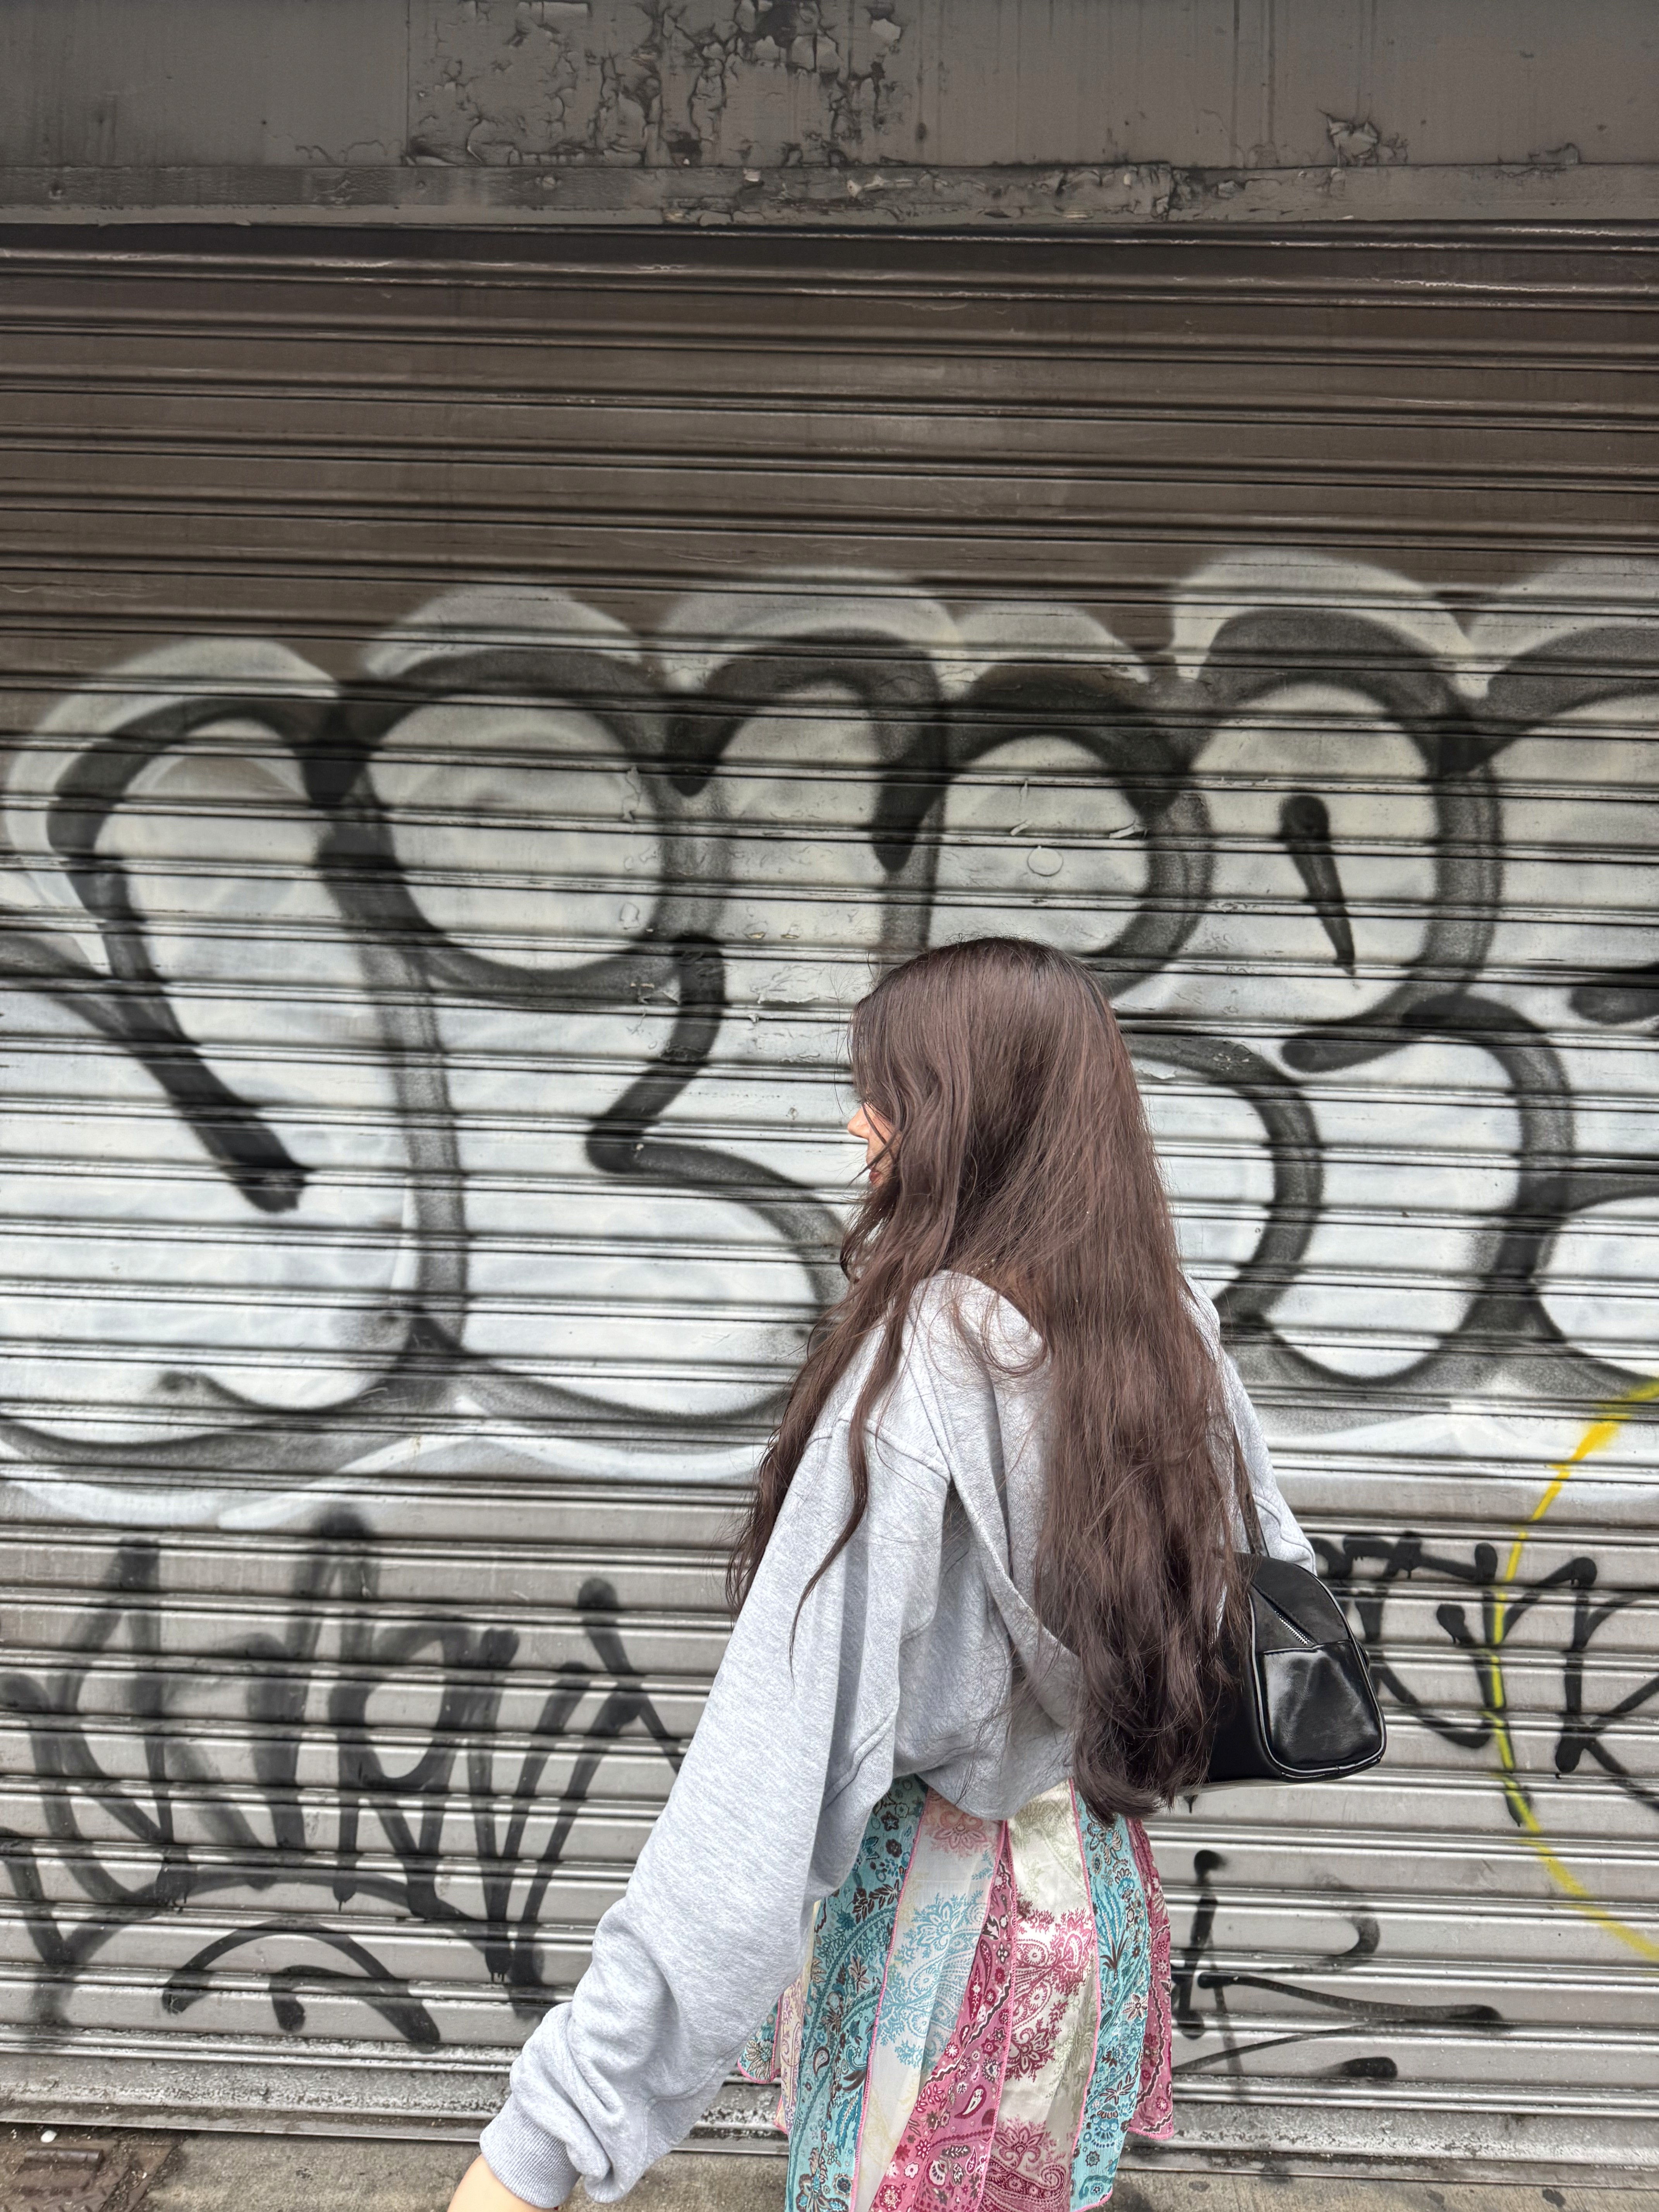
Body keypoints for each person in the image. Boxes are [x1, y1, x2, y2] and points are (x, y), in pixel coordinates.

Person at [449, 936, 1313, 2212]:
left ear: (966, 1117)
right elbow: (1270, 1588)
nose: (860, 1126)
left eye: (889, 1095)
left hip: (941, 1937)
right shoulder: (1168, 1329)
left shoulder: (929, 1365)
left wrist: (541, 2141)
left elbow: (769, 1780)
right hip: (1092, 1913)